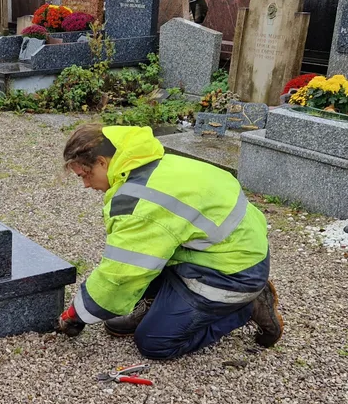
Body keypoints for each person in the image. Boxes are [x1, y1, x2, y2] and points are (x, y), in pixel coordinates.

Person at [55, 124, 283, 360]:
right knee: (119, 317)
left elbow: (121, 274)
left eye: (85, 175)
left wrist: (75, 314)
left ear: (102, 162)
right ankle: (166, 303)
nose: (85, 184)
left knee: (155, 343)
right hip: (230, 250)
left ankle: (245, 307)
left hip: (232, 273)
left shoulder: (139, 202)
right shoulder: (154, 164)